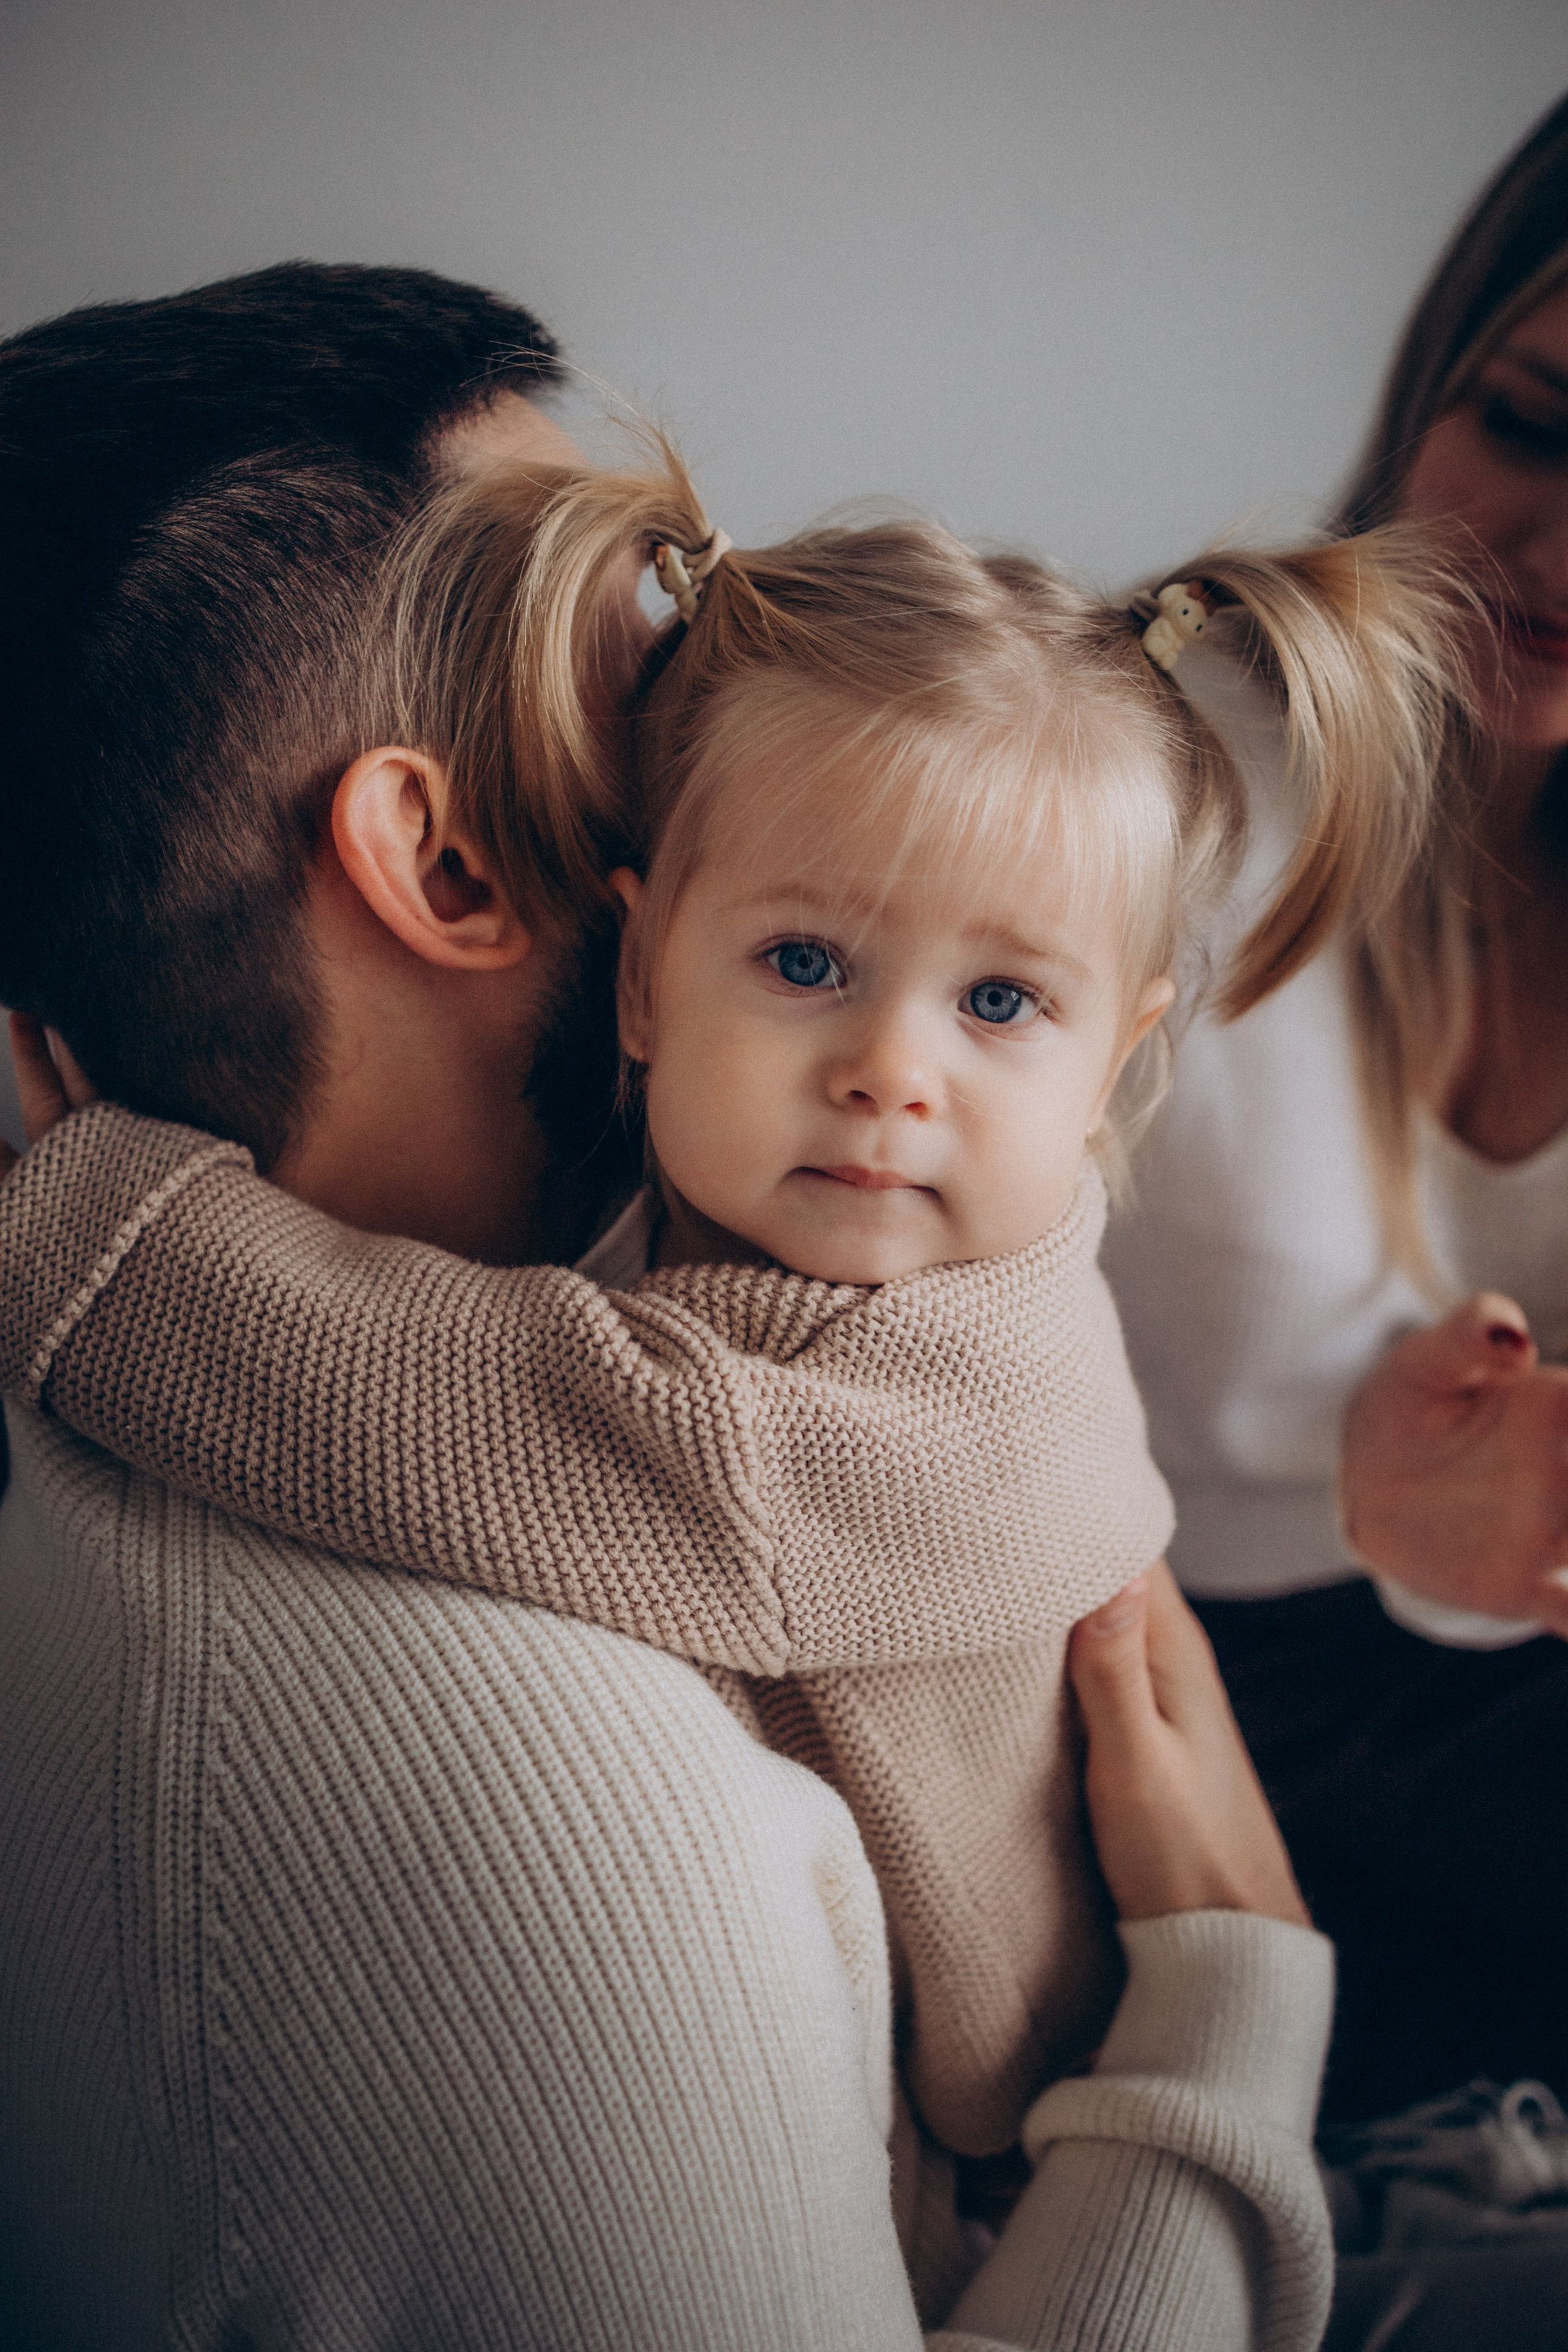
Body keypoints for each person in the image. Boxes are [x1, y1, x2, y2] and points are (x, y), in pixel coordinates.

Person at [0, 266, 1336, 2350]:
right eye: (638, 678)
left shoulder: (137, 1422)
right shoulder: (560, 1812)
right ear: (453, 867)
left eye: (1001, 1000)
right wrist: (1237, 2011)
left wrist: (97, 1217)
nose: (700, 759)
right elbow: (512, 1414)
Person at [1098, 88, 1568, 2132]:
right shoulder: (1160, 775)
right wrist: (1371, 1509)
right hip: (1158, 1667)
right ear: (1428, 389)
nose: (1556, 548)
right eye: (1531, 425)